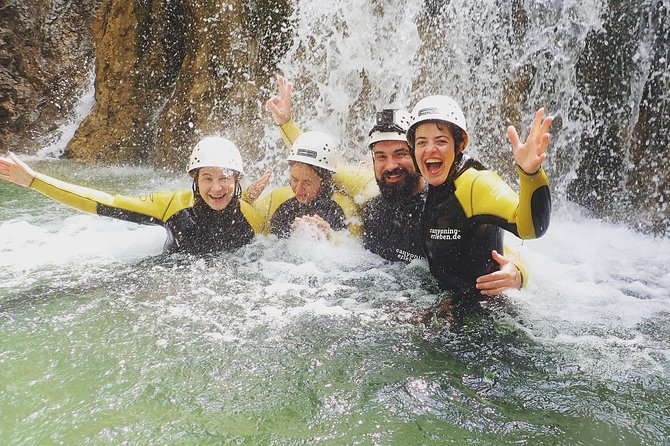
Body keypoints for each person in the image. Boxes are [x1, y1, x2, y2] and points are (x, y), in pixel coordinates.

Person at [265, 75, 523, 295]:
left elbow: (500, 245)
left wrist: (518, 273)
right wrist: (286, 123)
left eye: (400, 154)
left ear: (419, 151)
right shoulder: (367, 190)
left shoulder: (446, 200)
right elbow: (320, 164)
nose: (390, 166)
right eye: (381, 156)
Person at [0, 136, 264, 255]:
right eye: (207, 178)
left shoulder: (253, 217)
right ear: (194, 180)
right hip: (174, 279)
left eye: (224, 178)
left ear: (237, 179)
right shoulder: (173, 205)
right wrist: (35, 181)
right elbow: (105, 202)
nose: (216, 188)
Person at [405, 95, 552, 296]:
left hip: (485, 315)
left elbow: (532, 229)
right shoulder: (425, 185)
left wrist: (530, 174)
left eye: (441, 141)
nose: (430, 149)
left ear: (460, 144)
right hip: (446, 303)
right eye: (421, 142)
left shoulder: (476, 184)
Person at [252, 130, 361, 239]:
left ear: (323, 181)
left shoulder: (344, 209)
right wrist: (248, 196)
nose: (298, 190)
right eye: (294, 180)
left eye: (307, 183)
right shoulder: (276, 200)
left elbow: (355, 249)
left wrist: (331, 237)